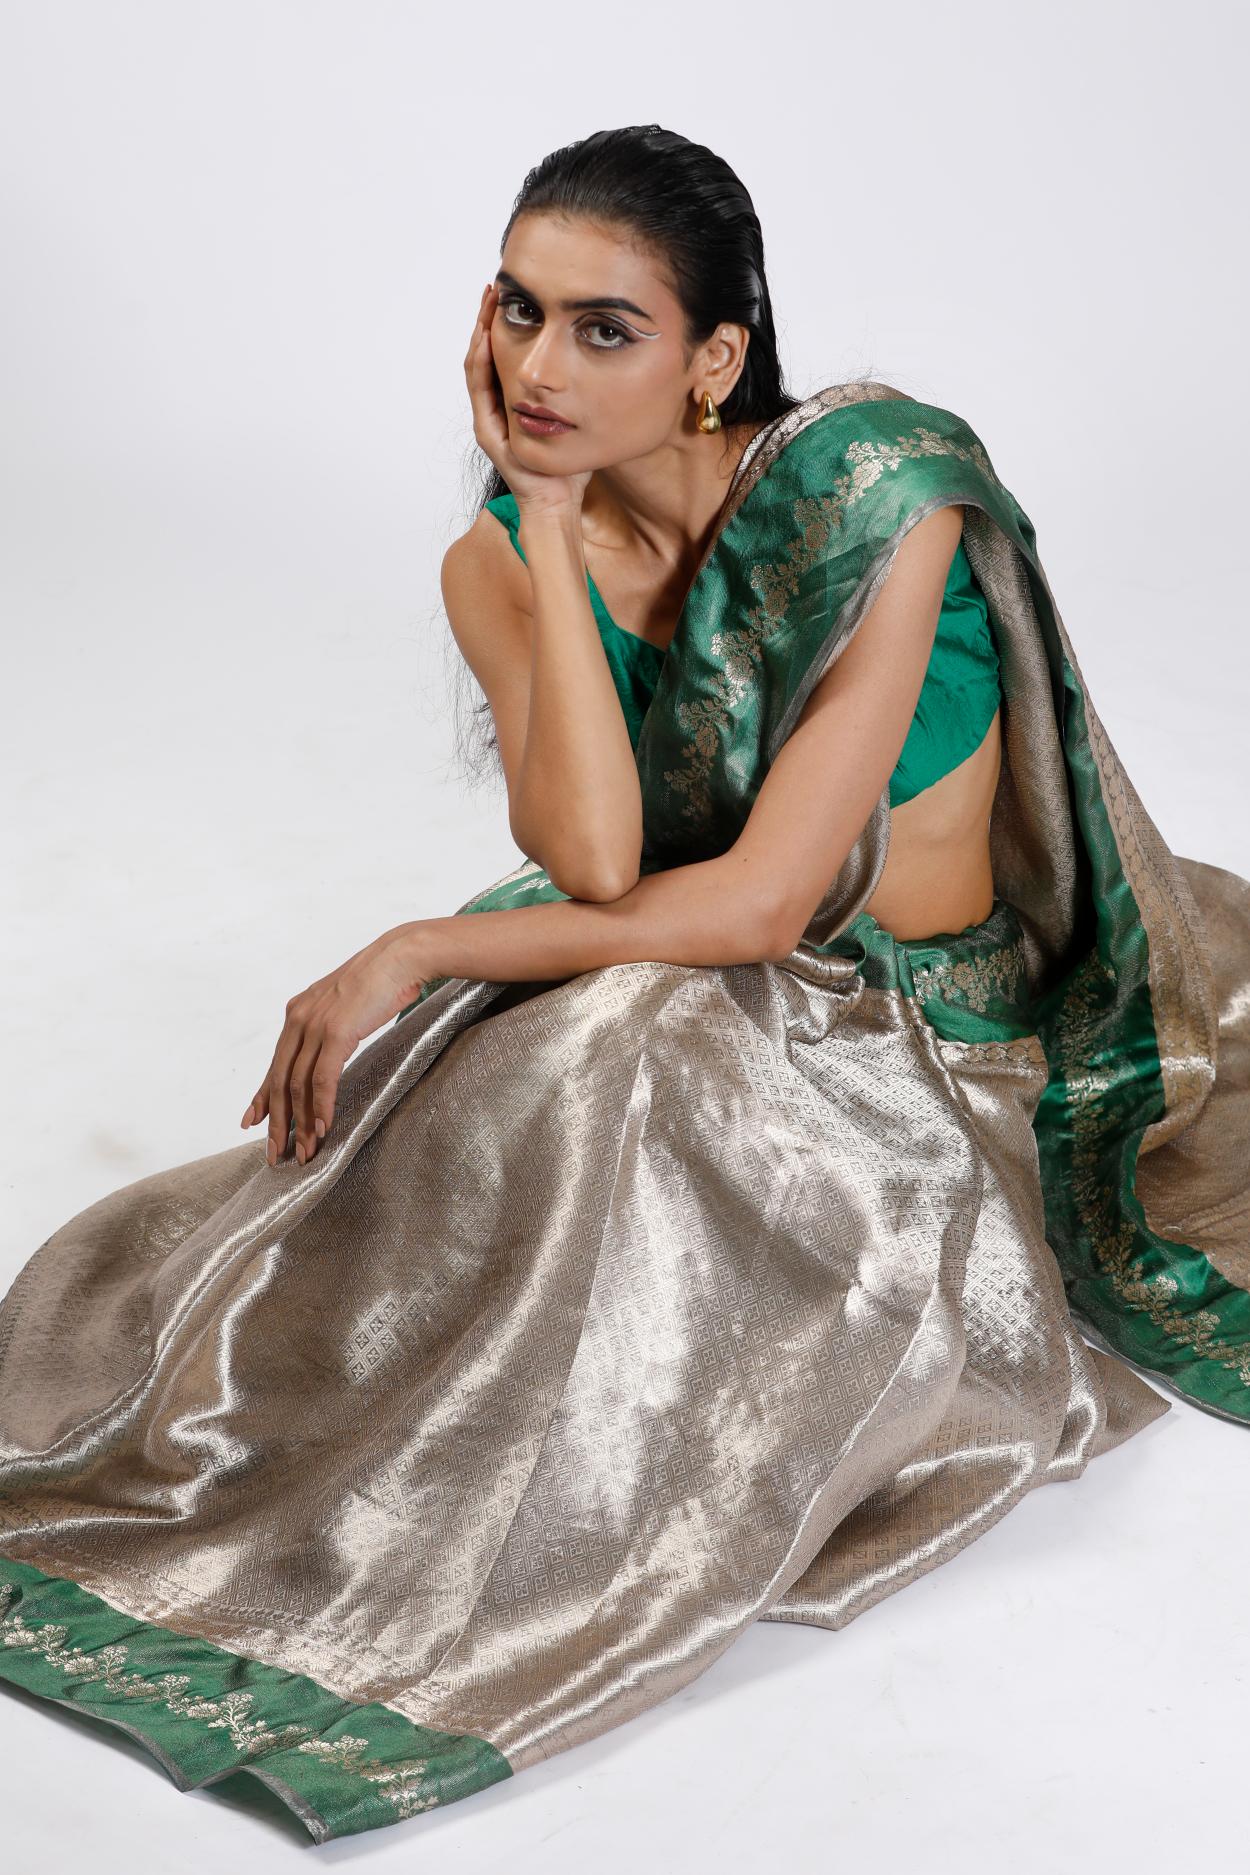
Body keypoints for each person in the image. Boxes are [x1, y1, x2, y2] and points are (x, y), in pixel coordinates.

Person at [2, 124, 1248, 1846]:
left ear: (713, 358)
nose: (539, 366)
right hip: (675, 957)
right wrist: (545, 516)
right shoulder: (495, 560)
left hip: (920, 1035)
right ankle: (304, 1483)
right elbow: (595, 862)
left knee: (611, 1050)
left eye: (605, 330)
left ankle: (495, 1559)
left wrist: (414, 943)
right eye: (517, 310)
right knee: (472, 1111)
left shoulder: (879, 505)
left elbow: (757, 901)